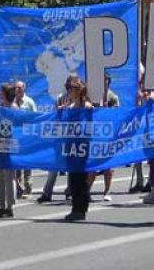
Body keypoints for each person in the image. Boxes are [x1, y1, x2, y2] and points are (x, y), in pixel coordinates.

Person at [64, 76, 94, 222]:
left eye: (74, 88)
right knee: (73, 178)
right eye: (69, 88)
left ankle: (81, 209)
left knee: (80, 178)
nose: (71, 91)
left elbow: (91, 118)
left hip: (82, 145)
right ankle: (75, 208)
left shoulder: (85, 105)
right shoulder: (69, 106)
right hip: (71, 146)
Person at [88, 76, 119, 202]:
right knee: (92, 166)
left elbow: (117, 114)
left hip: (108, 135)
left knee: (109, 166)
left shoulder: (113, 97)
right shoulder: (92, 96)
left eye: (106, 82)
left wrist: (109, 109)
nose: (104, 84)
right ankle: (87, 191)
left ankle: (107, 190)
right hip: (95, 135)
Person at [0, 83, 18, 218]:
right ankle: (0, 205)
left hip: (10, 147)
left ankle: (9, 206)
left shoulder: (14, 109)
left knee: (9, 177)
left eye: (1, 92)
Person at [14, 80, 36, 199]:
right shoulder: (12, 102)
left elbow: (35, 117)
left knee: (27, 163)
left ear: (24, 89)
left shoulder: (29, 102)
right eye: (16, 88)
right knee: (16, 163)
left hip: (26, 136)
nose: (17, 90)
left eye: (19, 88)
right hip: (15, 136)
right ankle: (18, 188)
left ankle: (28, 188)